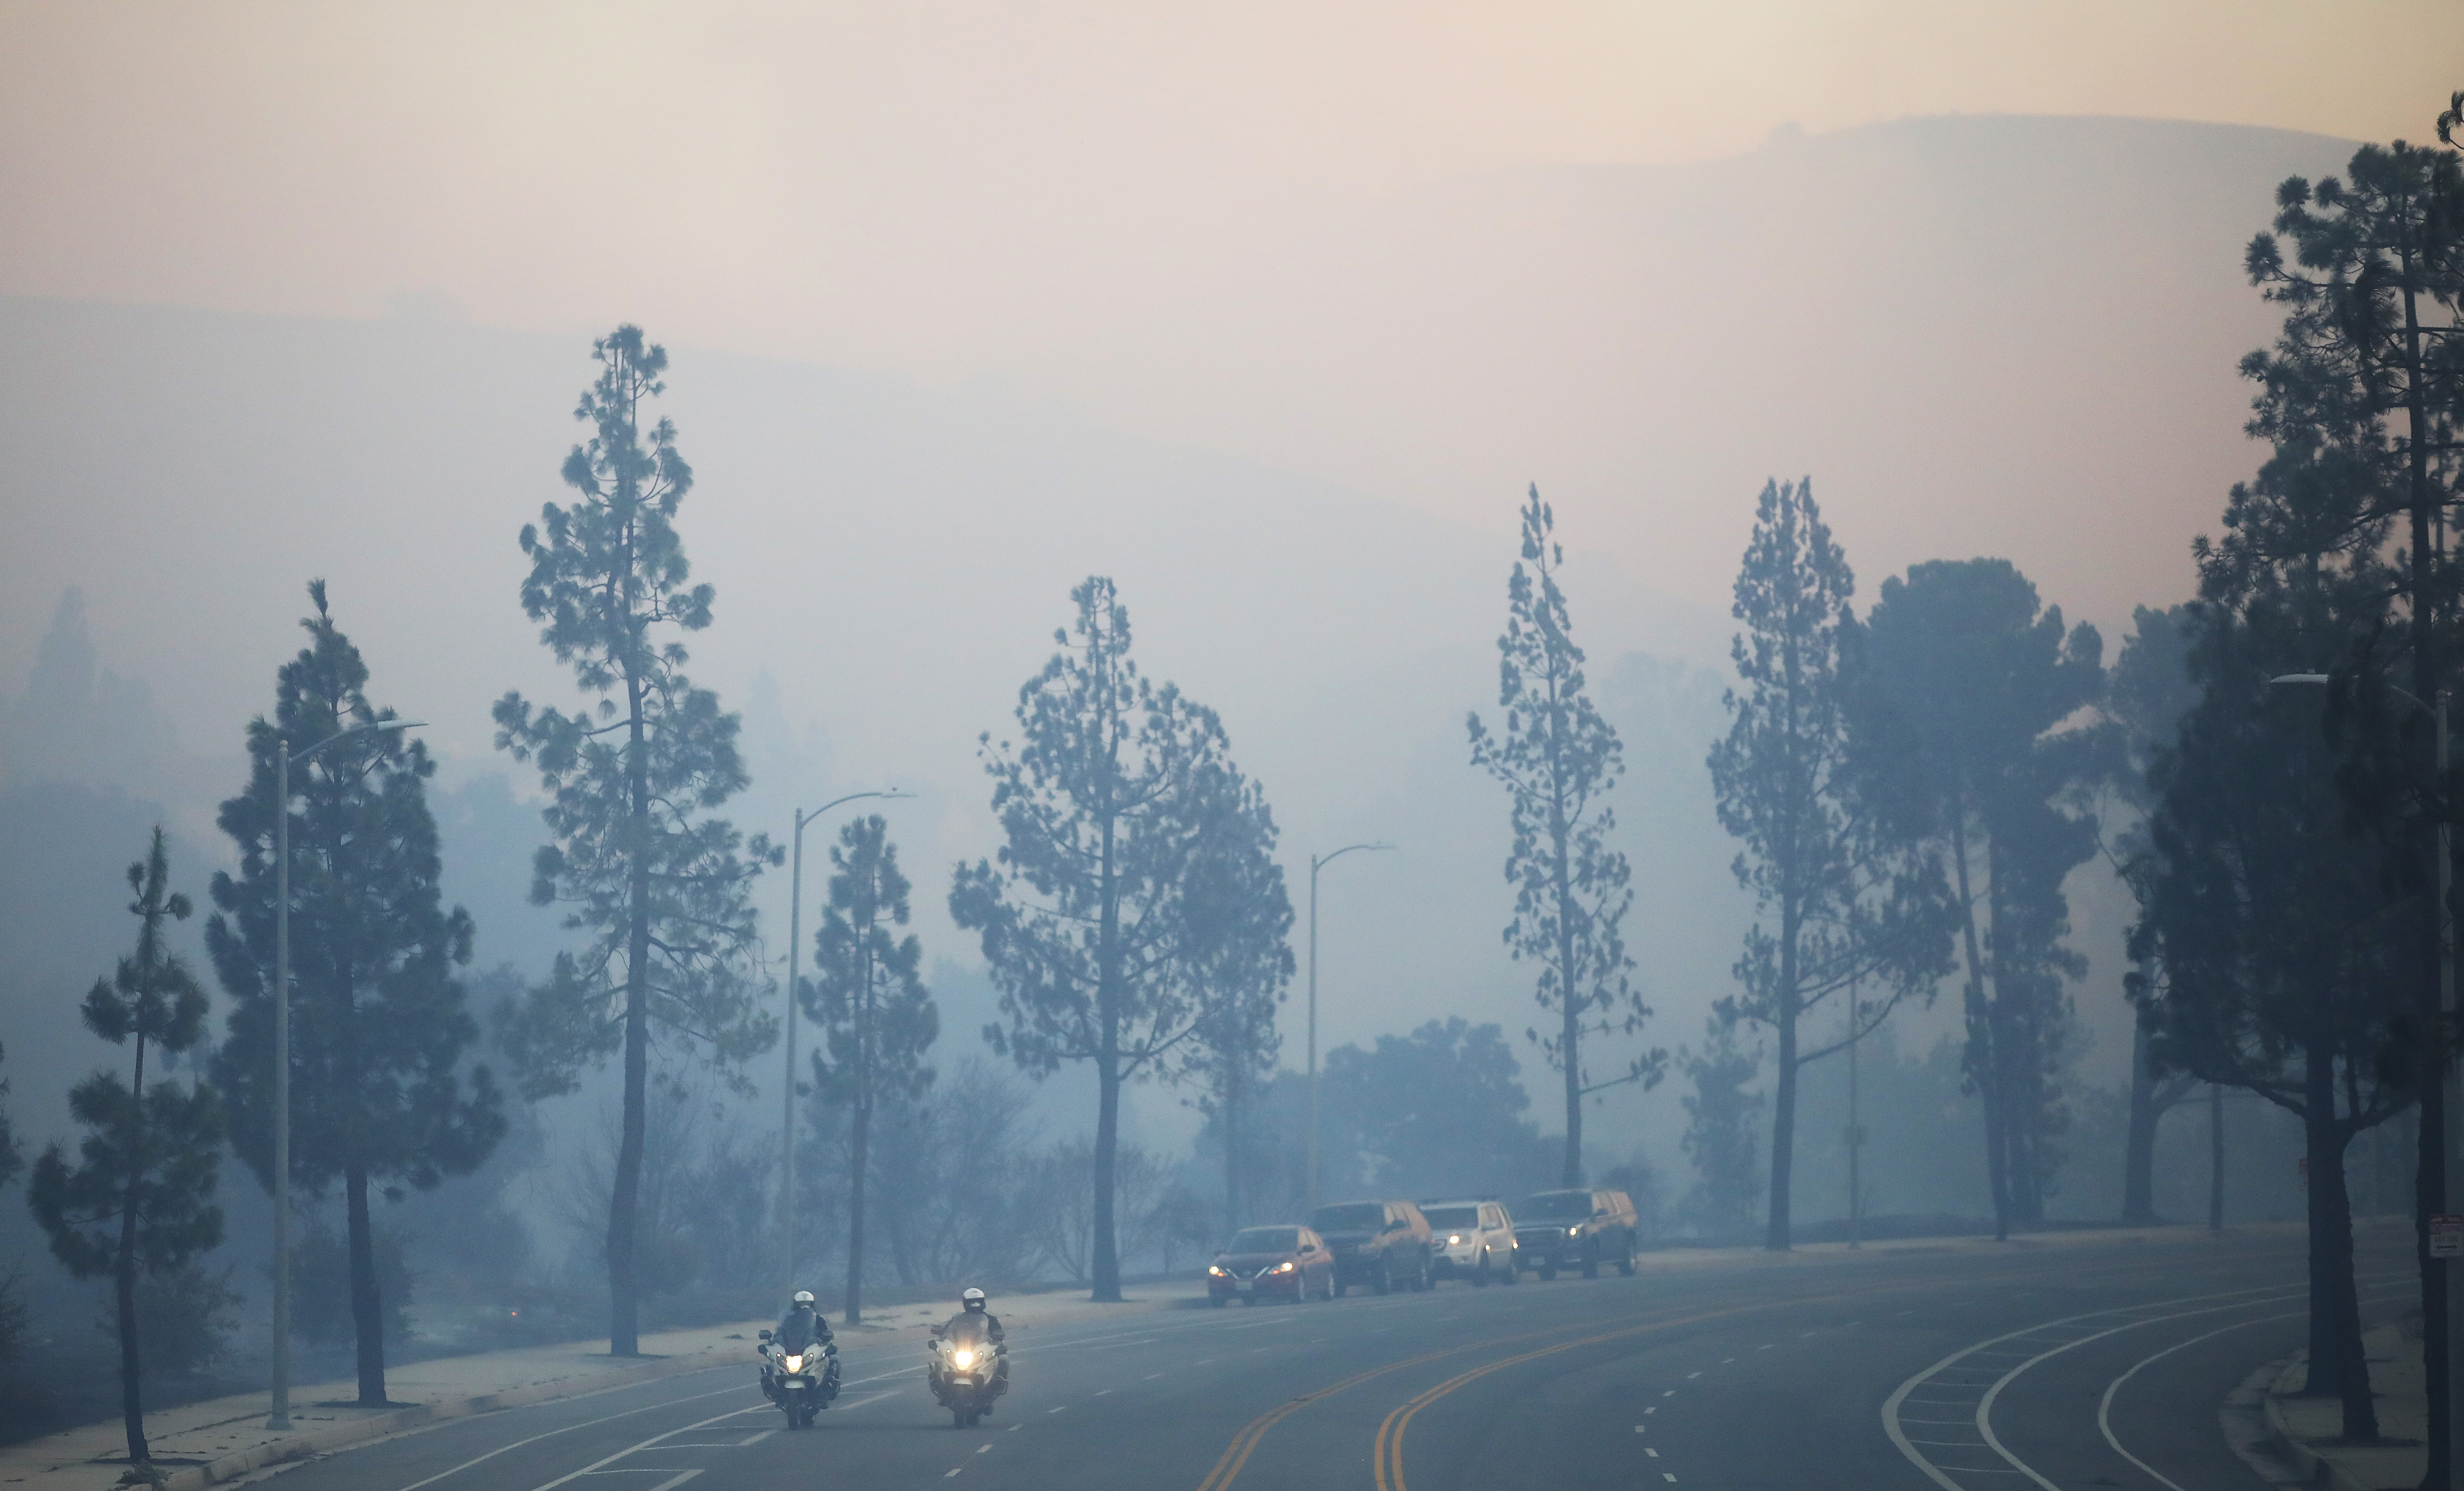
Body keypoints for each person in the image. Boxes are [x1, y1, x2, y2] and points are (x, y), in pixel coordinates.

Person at [930, 1288, 1008, 1397]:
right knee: (938, 1360)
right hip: (962, 1349)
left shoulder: (991, 1320)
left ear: (983, 1302)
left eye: (978, 1301)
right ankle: (941, 1389)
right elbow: (947, 1330)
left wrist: (998, 1339)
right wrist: (940, 1333)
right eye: (972, 1302)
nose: (975, 1305)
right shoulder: (958, 1318)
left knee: (1004, 1360)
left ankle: (995, 1390)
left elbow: (999, 1336)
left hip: (982, 1351)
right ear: (966, 1303)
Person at [764, 1290, 835, 1400]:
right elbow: (780, 1332)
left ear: (812, 1304)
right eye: (802, 1304)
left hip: (810, 1347)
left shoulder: (818, 1320)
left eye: (807, 1304)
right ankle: (773, 1389)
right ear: (796, 1305)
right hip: (792, 1348)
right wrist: (774, 1341)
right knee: (770, 1365)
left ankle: (827, 1388)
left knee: (833, 1360)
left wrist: (826, 1339)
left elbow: (825, 1332)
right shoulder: (788, 1319)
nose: (805, 1307)